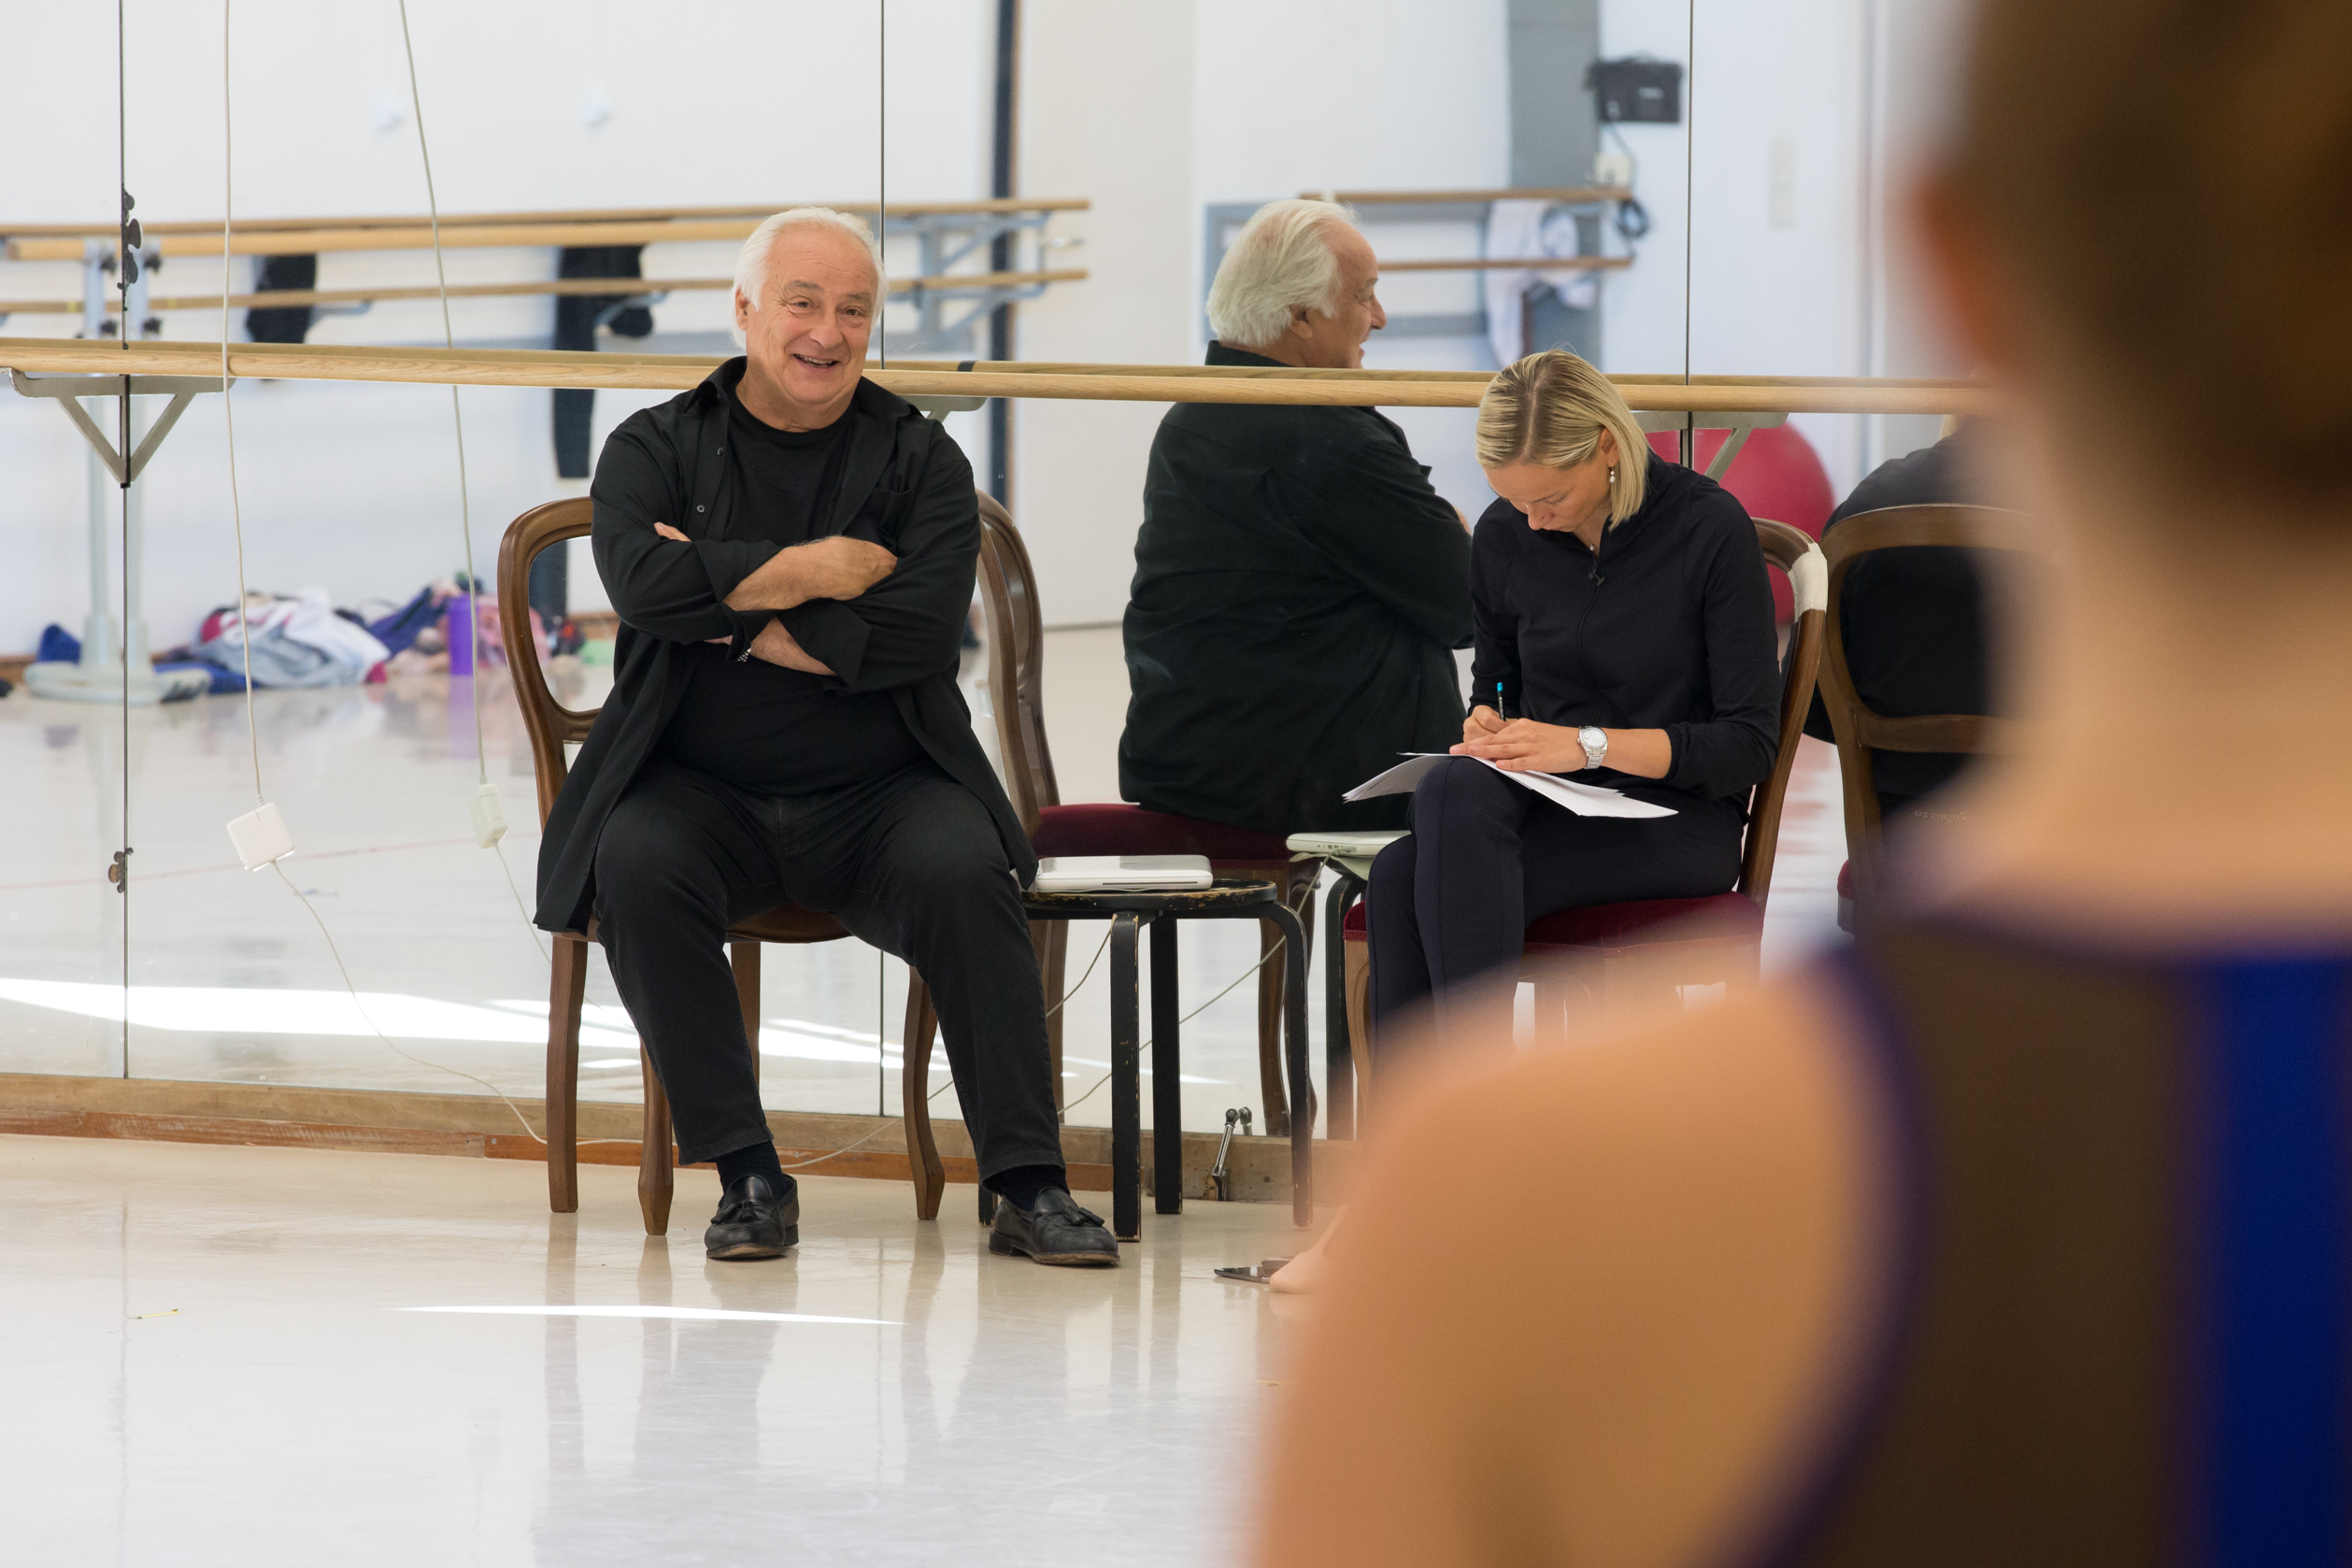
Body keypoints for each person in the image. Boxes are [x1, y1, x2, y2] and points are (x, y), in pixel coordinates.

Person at [1253, 0, 2352, 1561]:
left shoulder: (1520, 1198)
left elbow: (1740, 736)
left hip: (1665, 865)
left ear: (1958, 263)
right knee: (1451, 806)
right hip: (1563, 822)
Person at [535, 208, 1115, 1268]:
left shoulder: (919, 460)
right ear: (747, 309)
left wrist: (722, 597)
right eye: (803, 303)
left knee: (966, 866)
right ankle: (748, 1173)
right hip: (696, 789)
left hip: (884, 793)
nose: (827, 332)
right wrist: (814, 572)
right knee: (636, 862)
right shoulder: (654, 445)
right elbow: (639, 587)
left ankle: (1027, 1182)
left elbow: (915, 638)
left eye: (853, 310)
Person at [1364, 349, 1781, 1048]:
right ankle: (1462, 1127)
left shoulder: (1706, 530)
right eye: (1513, 500)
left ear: (1606, 448)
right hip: (1552, 798)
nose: (1530, 521)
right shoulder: (1503, 537)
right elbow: (1497, 679)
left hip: (1673, 813)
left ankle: (1452, 1125)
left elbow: (1748, 742)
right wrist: (1490, 717)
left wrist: (1588, 745)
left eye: (1548, 499)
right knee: (1447, 789)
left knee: (1401, 878)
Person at [1119, 199, 1472, 835]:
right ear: (1302, 318)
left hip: (1212, 754)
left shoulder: (1200, 411)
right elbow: (1469, 604)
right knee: (1533, 805)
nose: (1380, 319)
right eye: (1364, 297)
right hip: (1285, 777)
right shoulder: (1314, 438)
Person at [1800, 418, 1999, 820]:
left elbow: (1813, 697)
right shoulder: (2096, 509)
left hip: (1901, 827)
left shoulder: (1873, 498)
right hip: (2060, 836)